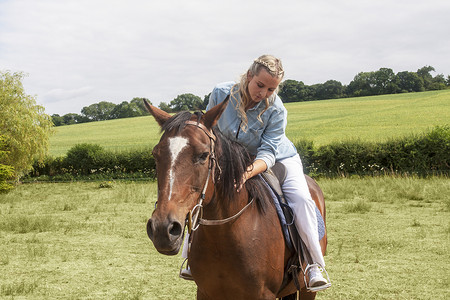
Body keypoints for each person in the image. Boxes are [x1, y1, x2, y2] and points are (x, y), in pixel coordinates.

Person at [181, 54, 330, 291]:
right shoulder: (221, 93)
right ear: (249, 76)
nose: (263, 93)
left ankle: (312, 264)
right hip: (230, 157)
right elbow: (209, 132)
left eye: (271, 89)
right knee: (202, 191)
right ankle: (191, 256)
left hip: (277, 159)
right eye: (260, 85)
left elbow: (268, 154)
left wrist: (245, 174)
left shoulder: (277, 109)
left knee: (301, 198)